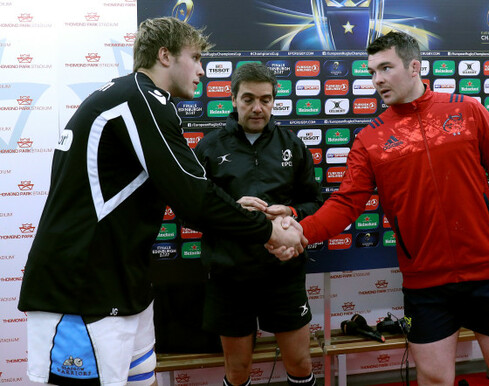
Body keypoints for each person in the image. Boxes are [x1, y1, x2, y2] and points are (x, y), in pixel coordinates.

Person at [18, 17, 305, 386]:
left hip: (122, 286)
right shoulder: (138, 98)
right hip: (82, 292)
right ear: (165, 55)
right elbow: (194, 198)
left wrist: (238, 212)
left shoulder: (138, 98)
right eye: (196, 57)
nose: (202, 70)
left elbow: (189, 191)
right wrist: (266, 230)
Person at [281, 31, 489, 385]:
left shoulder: (467, 110)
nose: (376, 79)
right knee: (434, 378)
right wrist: (301, 231)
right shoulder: (369, 139)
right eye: (371, 71)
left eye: (385, 68)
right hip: (425, 283)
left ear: (414, 67)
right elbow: (346, 204)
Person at [194, 62, 323, 386]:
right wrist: (231, 208)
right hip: (230, 273)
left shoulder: (293, 146)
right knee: (237, 369)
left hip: (283, 272)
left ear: (274, 100)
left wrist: (291, 213)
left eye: (265, 100)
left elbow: (315, 204)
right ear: (233, 98)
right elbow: (190, 211)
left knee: (300, 361)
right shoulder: (209, 147)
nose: (257, 108)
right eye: (248, 98)